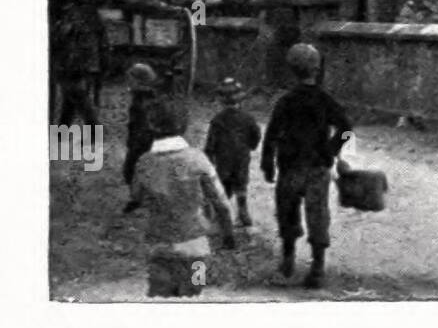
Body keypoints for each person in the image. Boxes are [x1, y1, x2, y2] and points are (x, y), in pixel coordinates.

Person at [260, 43, 351, 289]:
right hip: (317, 167)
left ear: (291, 69)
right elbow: (346, 128)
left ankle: (287, 259)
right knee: (318, 214)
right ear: (317, 68)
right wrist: (330, 151)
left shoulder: (285, 101)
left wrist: (267, 163)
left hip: (290, 166)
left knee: (287, 211)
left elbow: (271, 134)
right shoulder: (325, 100)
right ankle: (317, 267)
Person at [130, 98, 236, 298]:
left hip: (159, 245)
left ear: (151, 125)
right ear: (184, 126)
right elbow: (221, 201)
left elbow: (136, 195)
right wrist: (228, 233)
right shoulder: (198, 159)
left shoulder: (144, 162)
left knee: (161, 297)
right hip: (195, 245)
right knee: (196, 294)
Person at [204, 78, 262, 227]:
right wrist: (251, 146)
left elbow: (210, 143)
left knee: (224, 185)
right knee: (241, 183)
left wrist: (209, 157)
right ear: (241, 99)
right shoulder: (248, 118)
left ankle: (223, 216)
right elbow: (256, 135)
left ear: (221, 101)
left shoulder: (217, 120)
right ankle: (243, 211)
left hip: (223, 158)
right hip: (241, 156)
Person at [53, 0, 106, 127]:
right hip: (86, 63)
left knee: (79, 100)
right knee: (70, 103)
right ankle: (60, 135)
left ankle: (94, 134)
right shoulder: (89, 11)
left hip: (73, 64)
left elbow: (62, 36)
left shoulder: (72, 12)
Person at [122, 62, 164, 212]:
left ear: (140, 81)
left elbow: (143, 123)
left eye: (131, 79)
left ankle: (140, 199)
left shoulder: (142, 100)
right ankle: (139, 198)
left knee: (131, 171)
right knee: (136, 171)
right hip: (143, 139)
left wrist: (137, 142)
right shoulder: (142, 96)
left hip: (143, 141)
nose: (128, 82)